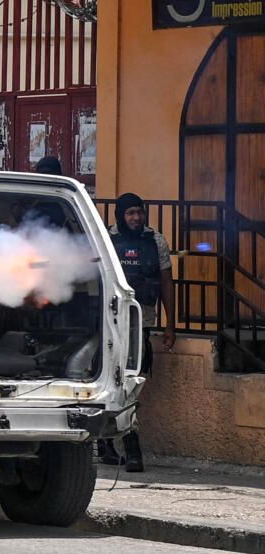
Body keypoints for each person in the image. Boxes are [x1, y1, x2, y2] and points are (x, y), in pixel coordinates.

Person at [101, 192, 175, 473]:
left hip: (141, 324)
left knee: (132, 383)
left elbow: (167, 282)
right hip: (110, 324)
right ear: (121, 214)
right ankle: (111, 445)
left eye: (139, 213)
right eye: (130, 213)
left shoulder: (155, 241)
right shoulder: (106, 239)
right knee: (111, 382)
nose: (136, 218)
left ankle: (129, 447)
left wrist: (170, 323)